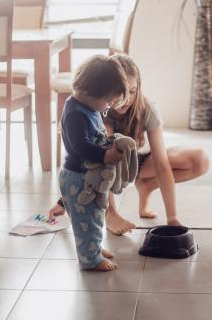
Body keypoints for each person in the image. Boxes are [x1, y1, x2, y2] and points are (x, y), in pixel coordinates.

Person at [50, 54, 210, 235]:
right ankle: (111, 213)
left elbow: (161, 164)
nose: (125, 99)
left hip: (141, 161)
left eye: (132, 91)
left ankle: (147, 186)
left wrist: (172, 217)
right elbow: (83, 164)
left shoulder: (148, 108)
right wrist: (64, 202)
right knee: (105, 152)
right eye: (121, 91)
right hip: (113, 165)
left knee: (200, 160)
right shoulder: (98, 110)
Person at [58, 55, 128, 271]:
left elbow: (96, 136)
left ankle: (93, 247)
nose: (106, 107)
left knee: (95, 216)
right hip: (78, 178)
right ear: (91, 92)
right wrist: (105, 156)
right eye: (106, 101)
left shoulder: (88, 107)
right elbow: (80, 146)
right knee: (86, 221)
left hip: (88, 177)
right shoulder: (75, 115)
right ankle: (90, 259)